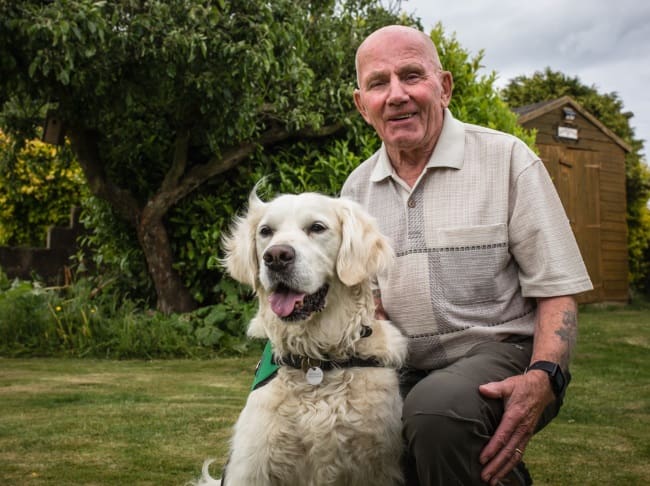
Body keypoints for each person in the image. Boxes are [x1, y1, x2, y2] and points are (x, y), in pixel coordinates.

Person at [341, 25, 593, 486]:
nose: (396, 95)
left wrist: (544, 377)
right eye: (378, 83)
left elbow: (557, 290)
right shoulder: (355, 191)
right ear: (362, 105)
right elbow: (366, 304)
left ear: (445, 87)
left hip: (506, 352)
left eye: (412, 75)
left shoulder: (507, 160)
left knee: (436, 411)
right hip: (405, 364)